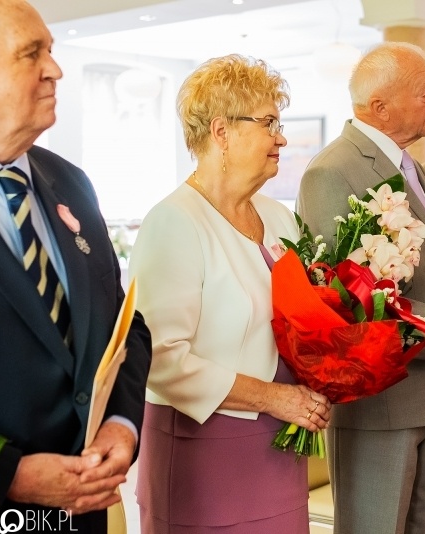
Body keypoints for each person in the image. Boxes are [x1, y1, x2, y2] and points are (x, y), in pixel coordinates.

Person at [0, 1, 151, 532]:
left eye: (52, 51)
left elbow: (124, 327)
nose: (55, 69)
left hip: (83, 515)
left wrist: (121, 424)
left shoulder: (72, 184)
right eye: (31, 53)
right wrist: (8, 475)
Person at [296, 42, 425, 534]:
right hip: (383, 401)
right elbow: (347, 302)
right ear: (380, 106)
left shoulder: (411, 165)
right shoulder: (330, 172)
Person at [129, 54, 331, 534]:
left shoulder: (280, 218)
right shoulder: (174, 221)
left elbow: (308, 317)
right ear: (221, 131)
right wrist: (273, 398)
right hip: (204, 454)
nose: (281, 138)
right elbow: (160, 357)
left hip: (281, 445)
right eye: (268, 124)